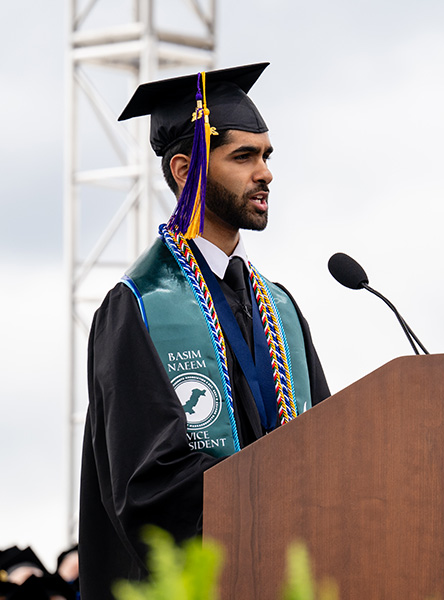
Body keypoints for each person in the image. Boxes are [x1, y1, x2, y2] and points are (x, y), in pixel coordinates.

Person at [78, 62, 330, 599]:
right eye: (243, 156)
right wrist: (273, 506)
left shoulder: (278, 308)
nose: (265, 173)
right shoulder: (141, 306)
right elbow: (147, 486)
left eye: (266, 156)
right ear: (184, 168)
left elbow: (331, 448)